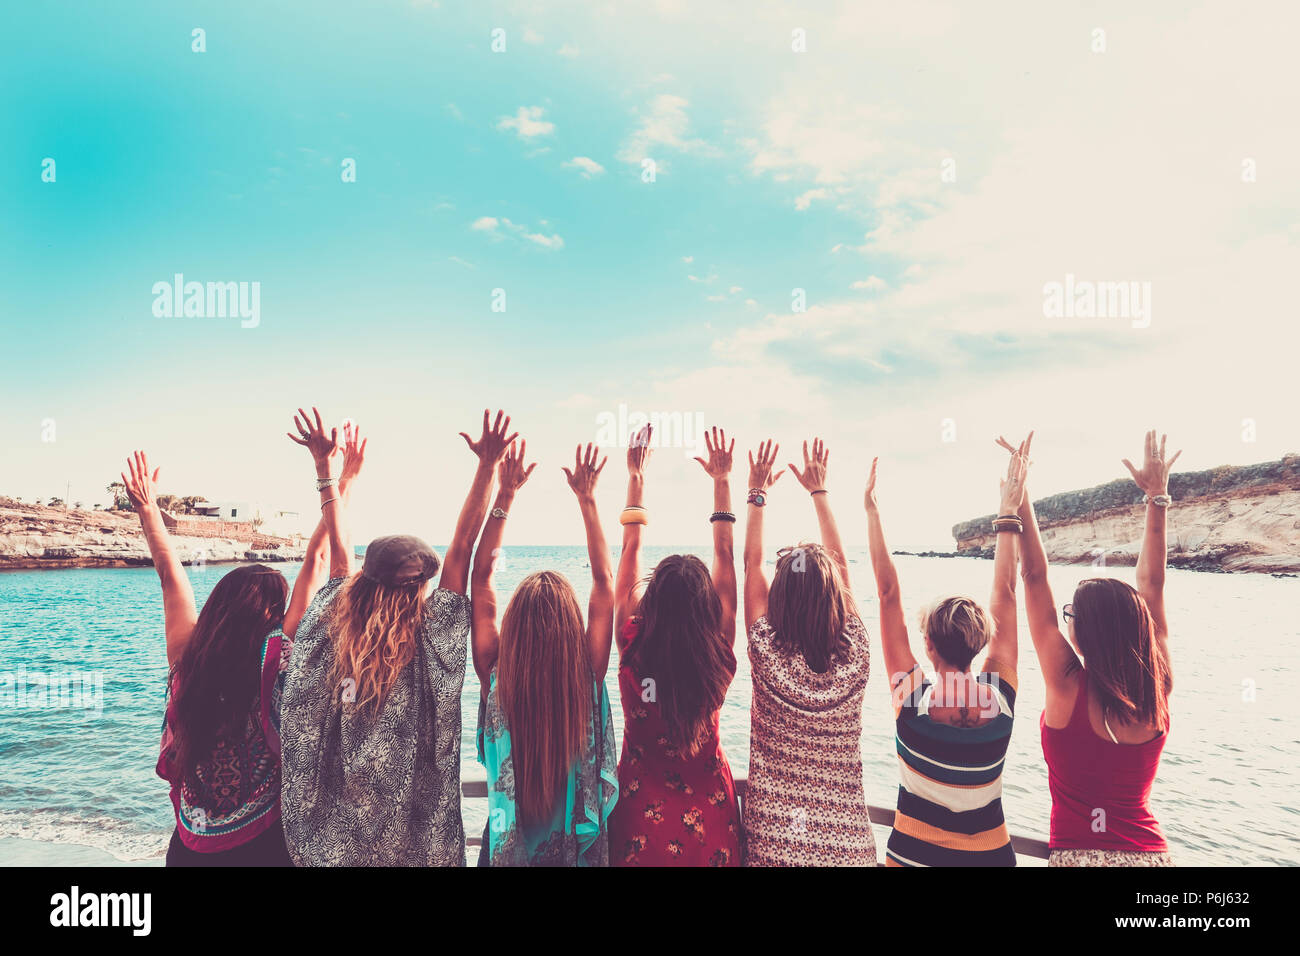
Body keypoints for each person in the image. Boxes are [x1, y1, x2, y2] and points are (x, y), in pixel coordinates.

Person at [279, 407, 515, 866]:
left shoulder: (335, 624)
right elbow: (463, 550)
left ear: (367, 581)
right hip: (419, 849)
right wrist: (489, 468)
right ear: (422, 585)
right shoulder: (436, 638)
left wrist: (327, 469)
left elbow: (339, 550)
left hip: (339, 849)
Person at [125, 437, 357, 866]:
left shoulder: (186, 659)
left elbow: (168, 574)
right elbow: (319, 560)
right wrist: (340, 480)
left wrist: (147, 507)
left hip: (190, 844)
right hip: (263, 844)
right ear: (270, 613)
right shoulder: (274, 656)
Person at [1015, 430, 1178, 866]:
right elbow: (1152, 583)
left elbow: (1033, 577)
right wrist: (1157, 498)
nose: (1064, 619)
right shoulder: (1155, 684)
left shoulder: (1067, 684)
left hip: (1079, 856)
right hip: (1149, 856)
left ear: (1083, 633)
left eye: (1071, 615)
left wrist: (1019, 495)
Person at [864, 441, 1029, 866]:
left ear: (929, 645)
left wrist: (872, 513)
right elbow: (1007, 594)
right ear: (979, 643)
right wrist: (1009, 508)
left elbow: (887, 596)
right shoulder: (1002, 701)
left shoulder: (912, 701)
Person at [470, 441, 618, 866]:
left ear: (513, 626)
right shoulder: (587, 676)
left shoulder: (495, 677)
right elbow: (605, 585)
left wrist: (505, 495)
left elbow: (481, 579)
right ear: (571, 628)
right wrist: (588, 500)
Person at [607, 425, 744, 867]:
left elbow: (630, 547)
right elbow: (725, 557)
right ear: (707, 606)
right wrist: (722, 482)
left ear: (651, 600)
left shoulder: (631, 646)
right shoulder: (718, 654)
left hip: (638, 823)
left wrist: (636, 476)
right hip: (711, 823)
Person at [741, 438, 876, 866]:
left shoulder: (766, 653)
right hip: (847, 846)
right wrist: (820, 492)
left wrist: (757, 493)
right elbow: (843, 570)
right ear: (837, 595)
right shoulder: (855, 657)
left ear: (779, 596)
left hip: (775, 841)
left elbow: (751, 564)